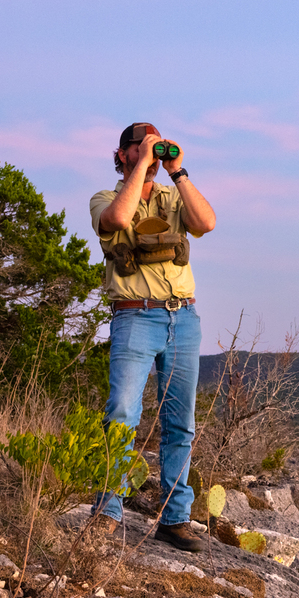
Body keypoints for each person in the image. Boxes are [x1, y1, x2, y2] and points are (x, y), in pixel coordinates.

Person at [88, 122, 217, 551]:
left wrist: (178, 171)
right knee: (122, 414)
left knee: (181, 423)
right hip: (134, 317)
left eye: (154, 146)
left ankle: (175, 517)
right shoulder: (105, 198)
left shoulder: (172, 197)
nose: (151, 153)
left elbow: (208, 223)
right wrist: (142, 164)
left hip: (183, 318)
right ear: (120, 155)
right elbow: (119, 220)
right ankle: (108, 509)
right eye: (139, 147)